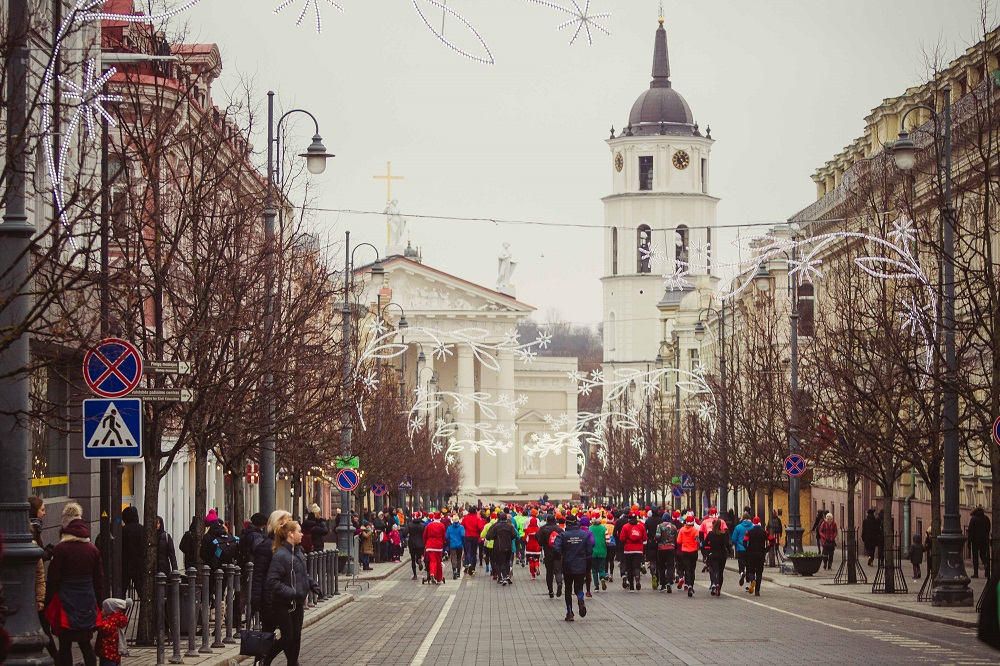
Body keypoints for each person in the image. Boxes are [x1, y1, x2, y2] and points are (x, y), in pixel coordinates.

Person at [46, 502, 103, 666]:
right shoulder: (93, 550)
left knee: (65, 644)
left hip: (66, 603)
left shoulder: (61, 550)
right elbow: (99, 580)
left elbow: (53, 580)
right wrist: (98, 604)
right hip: (87, 601)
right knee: (86, 644)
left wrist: (50, 602)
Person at [262, 521, 321, 666]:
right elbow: (272, 581)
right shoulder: (280, 555)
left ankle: (292, 663)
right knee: (288, 636)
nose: (302, 534)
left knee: (296, 637)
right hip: (283, 603)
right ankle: (266, 660)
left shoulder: (298, 552)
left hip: (298, 602)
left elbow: (303, 575)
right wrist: (291, 592)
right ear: (290, 534)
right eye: (299, 531)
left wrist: (313, 585)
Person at [250, 510, 292, 630]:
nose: (292, 524)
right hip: (271, 598)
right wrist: (256, 599)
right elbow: (259, 574)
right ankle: (267, 649)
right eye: (288, 521)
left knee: (290, 635)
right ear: (278, 523)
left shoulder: (289, 544)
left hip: (286, 596)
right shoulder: (266, 546)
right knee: (269, 632)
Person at [29, 496, 58, 661]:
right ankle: (56, 658)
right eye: (42, 509)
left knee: (44, 624)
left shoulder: (36, 530)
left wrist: (45, 553)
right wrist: (45, 554)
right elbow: (36, 565)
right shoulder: (31, 531)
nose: (44, 513)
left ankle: (56, 657)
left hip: (35, 587)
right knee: (43, 625)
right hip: (31, 588)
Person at [553, 514, 594, 622]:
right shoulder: (584, 535)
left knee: (568, 589)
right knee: (579, 587)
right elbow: (590, 550)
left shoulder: (563, 535)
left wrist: (561, 555)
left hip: (567, 565)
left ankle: (569, 612)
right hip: (580, 565)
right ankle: (580, 597)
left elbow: (556, 548)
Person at [95, 598, 131, 666]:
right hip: (115, 655)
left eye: (103, 609)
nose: (101, 611)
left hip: (108, 654)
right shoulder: (117, 621)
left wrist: (98, 618)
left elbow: (100, 627)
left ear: (110, 610)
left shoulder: (110, 623)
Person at [537, 513, 564, 598]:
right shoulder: (560, 530)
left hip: (548, 553)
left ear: (547, 520)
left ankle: (551, 591)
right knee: (558, 570)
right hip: (558, 553)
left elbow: (540, 542)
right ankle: (559, 583)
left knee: (549, 572)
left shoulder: (545, 529)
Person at [486, 512, 518, 585]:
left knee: (500, 562)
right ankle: (506, 575)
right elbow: (514, 535)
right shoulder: (510, 526)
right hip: (508, 546)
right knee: (507, 561)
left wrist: (494, 538)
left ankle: (502, 577)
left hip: (499, 547)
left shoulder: (496, 526)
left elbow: (489, 536)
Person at [619, 511, 647, 591]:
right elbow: (645, 538)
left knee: (629, 567)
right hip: (638, 549)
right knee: (637, 566)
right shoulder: (641, 526)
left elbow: (622, 538)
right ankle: (637, 578)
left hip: (628, 549)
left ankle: (631, 586)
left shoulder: (625, 527)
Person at [120, 506, 143, 597]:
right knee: (140, 588)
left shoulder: (122, 531)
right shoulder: (142, 529)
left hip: (125, 564)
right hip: (139, 564)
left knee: (122, 589)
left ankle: (122, 610)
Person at [676, 514, 700, 597]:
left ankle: (687, 583)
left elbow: (678, 541)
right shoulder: (695, 531)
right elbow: (697, 541)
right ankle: (691, 586)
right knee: (692, 570)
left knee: (687, 569)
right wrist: (696, 545)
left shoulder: (682, 530)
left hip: (685, 551)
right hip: (693, 552)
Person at [705, 516, 729, 596]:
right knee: (721, 571)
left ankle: (715, 583)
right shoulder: (723, 534)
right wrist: (729, 551)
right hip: (722, 555)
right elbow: (726, 544)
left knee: (715, 570)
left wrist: (708, 546)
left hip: (713, 554)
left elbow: (705, 543)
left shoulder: (711, 534)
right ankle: (719, 586)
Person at [654, 512, 678, 593]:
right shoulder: (673, 527)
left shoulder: (659, 526)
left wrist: (656, 540)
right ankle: (669, 582)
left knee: (661, 567)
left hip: (661, 549)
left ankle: (663, 585)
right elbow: (677, 538)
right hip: (671, 548)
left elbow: (657, 536)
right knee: (670, 566)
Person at [423, 514, 447, 584]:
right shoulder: (442, 525)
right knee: (438, 561)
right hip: (438, 546)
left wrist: (426, 543)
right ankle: (439, 578)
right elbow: (443, 536)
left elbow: (425, 535)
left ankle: (432, 573)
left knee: (432, 561)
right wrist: (443, 542)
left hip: (430, 545)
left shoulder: (429, 525)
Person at [731, 513, 753, 588]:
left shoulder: (738, 527)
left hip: (741, 549)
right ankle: (747, 585)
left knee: (741, 563)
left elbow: (733, 539)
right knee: (749, 566)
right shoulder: (752, 527)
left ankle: (741, 572)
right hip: (750, 549)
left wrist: (737, 544)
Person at [969, 506, 992, 578]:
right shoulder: (986, 518)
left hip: (975, 541)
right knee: (983, 555)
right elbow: (988, 529)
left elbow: (970, 532)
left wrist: (969, 543)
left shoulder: (973, 519)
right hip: (984, 540)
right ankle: (986, 568)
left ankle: (976, 573)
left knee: (975, 556)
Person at [588, 514, 607, 592]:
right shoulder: (604, 528)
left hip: (592, 551)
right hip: (602, 550)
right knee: (601, 567)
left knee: (594, 569)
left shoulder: (590, 528)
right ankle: (602, 577)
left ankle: (596, 586)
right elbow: (608, 540)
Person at [403, 513, 425, 580]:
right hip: (421, 544)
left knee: (413, 559)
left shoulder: (410, 525)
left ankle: (415, 575)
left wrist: (407, 536)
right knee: (419, 555)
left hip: (412, 544)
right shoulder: (422, 525)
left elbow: (404, 533)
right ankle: (419, 560)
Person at [461, 508, 482, 576]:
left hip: (467, 536)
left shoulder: (465, 518)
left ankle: (469, 563)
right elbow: (480, 527)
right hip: (475, 537)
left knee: (468, 552)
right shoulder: (477, 518)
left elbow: (462, 526)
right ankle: (473, 567)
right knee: (474, 552)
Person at [445, 514, 465, 580]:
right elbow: (463, 535)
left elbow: (447, 536)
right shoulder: (461, 527)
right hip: (459, 545)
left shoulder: (449, 528)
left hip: (452, 545)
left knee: (453, 558)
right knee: (459, 558)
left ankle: (454, 571)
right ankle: (458, 572)